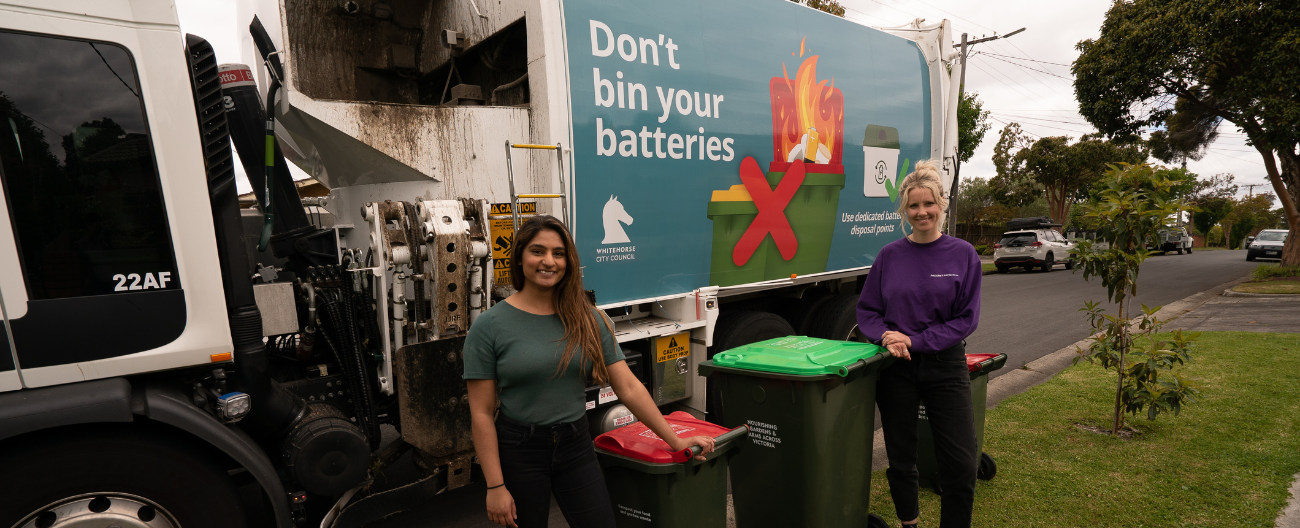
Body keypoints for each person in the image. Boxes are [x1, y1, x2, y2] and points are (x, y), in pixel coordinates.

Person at [464, 215, 717, 528]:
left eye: (558, 253)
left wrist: (674, 439)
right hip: (520, 450)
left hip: (575, 444)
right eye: (537, 251)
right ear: (520, 257)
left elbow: (629, 386)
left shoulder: (587, 319)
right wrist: (495, 486)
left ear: (569, 262)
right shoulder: (489, 326)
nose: (548, 261)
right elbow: (481, 413)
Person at [856, 161, 982, 528]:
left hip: (945, 365)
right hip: (897, 368)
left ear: (941, 204)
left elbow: (965, 319)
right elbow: (868, 311)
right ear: (904, 210)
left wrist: (916, 339)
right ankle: (908, 523)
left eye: (929, 204)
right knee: (900, 455)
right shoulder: (889, 256)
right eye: (914, 206)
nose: (922, 212)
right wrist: (885, 336)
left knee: (960, 461)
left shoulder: (964, 255)